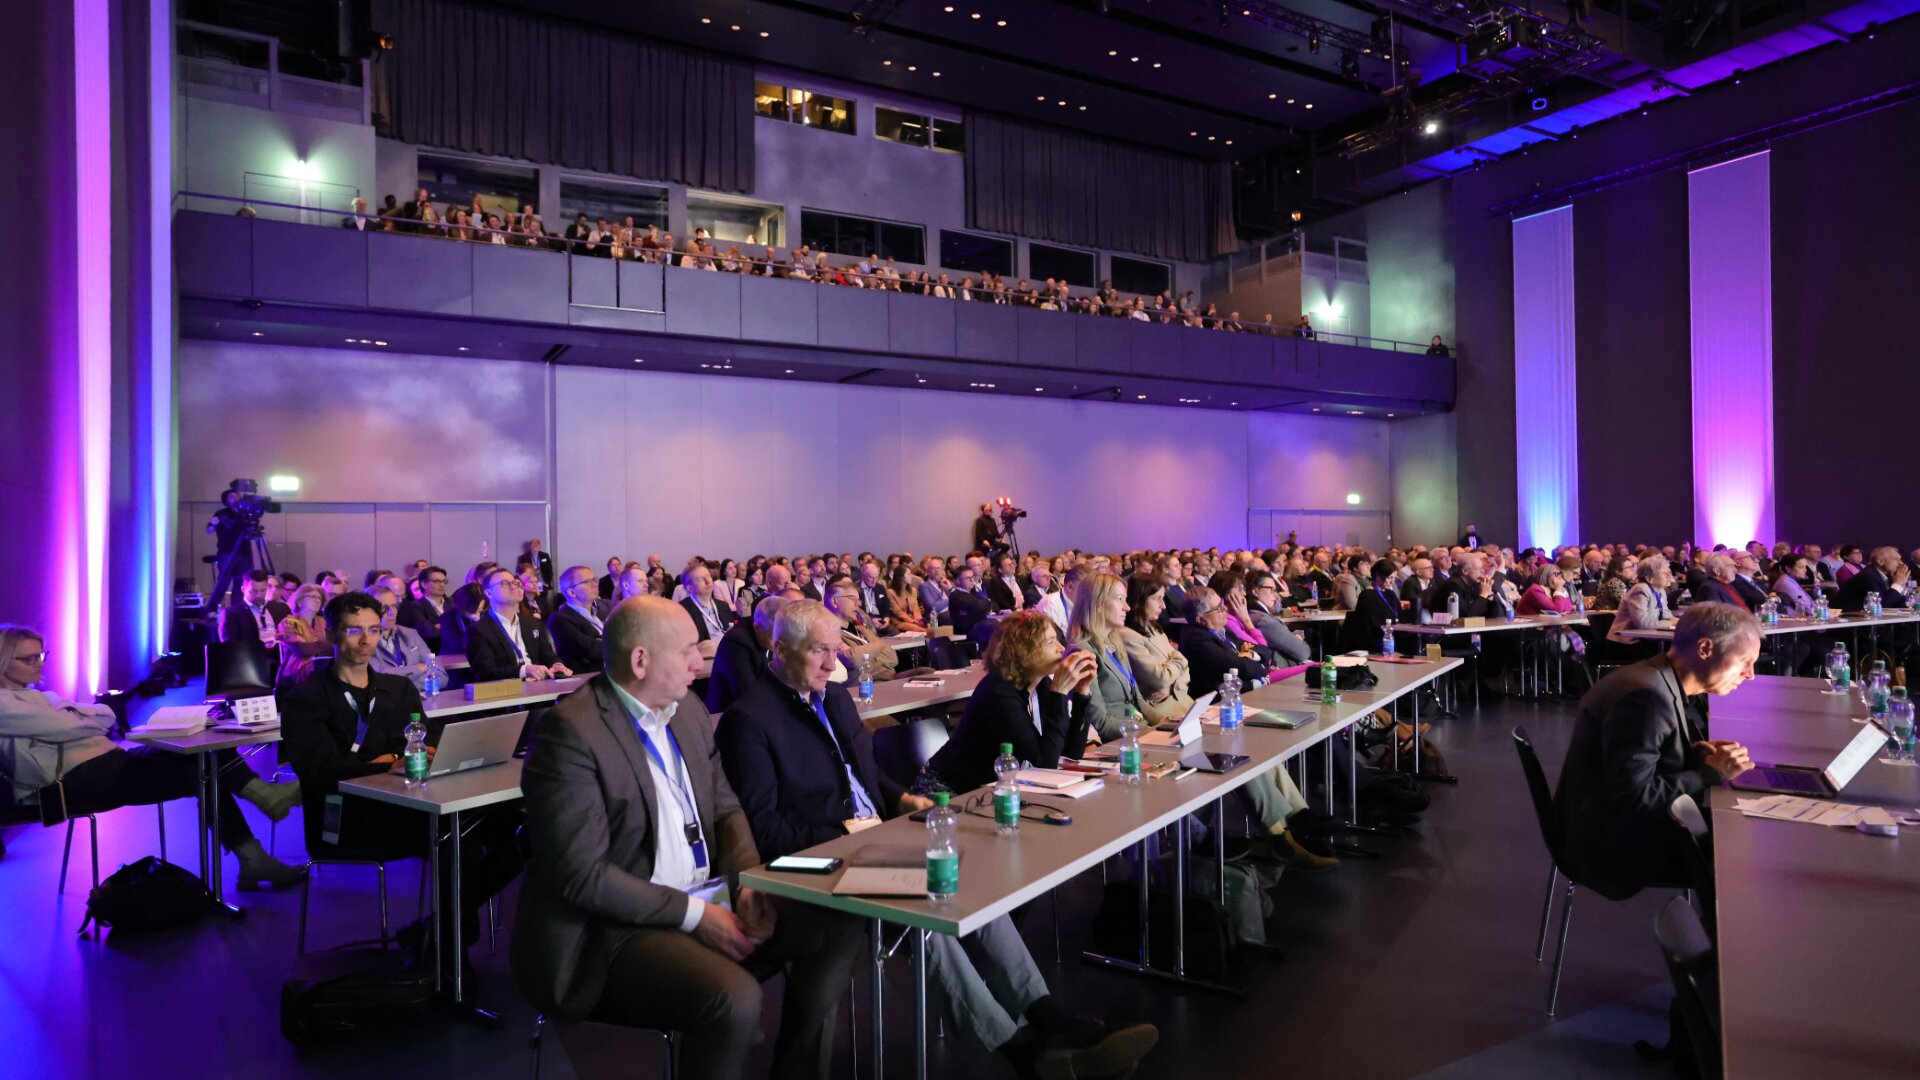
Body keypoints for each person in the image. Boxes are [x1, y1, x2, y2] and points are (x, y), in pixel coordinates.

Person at [718, 601, 1159, 1075]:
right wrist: (847, 831)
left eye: (835, 650)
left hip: (873, 843)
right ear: (780, 651)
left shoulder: (834, 697)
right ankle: (1022, 1051)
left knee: (961, 886)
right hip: (814, 866)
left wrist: (901, 799)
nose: (834, 663)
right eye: (819, 652)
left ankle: (1051, 1021)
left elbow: (866, 781)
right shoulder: (751, 719)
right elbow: (765, 830)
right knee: (921, 914)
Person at [513, 596, 862, 1080]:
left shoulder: (688, 710)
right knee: (735, 1000)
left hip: (708, 895)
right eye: (688, 651)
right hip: (615, 931)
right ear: (641, 660)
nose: (702, 662)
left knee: (839, 915)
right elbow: (583, 876)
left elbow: (726, 807)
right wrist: (697, 916)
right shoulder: (571, 734)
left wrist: (751, 884)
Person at [282, 594, 522, 965]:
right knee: (456, 841)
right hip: (343, 817)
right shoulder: (307, 697)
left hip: (409, 803)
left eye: (374, 630)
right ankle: (448, 950)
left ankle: (439, 931)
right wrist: (391, 761)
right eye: (354, 631)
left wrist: (394, 759)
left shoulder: (397, 690)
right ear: (331, 634)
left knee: (518, 831)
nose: (366, 641)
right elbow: (321, 770)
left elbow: (425, 742)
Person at [0, 625, 304, 889]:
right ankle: (258, 837)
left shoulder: (42, 698)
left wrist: (72, 718)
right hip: (74, 780)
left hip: (110, 761)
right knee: (198, 771)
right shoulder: (4, 705)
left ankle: (256, 846)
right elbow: (65, 723)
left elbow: (106, 715)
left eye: (41, 656)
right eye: (28, 658)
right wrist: (73, 717)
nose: (38, 664)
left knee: (205, 743)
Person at [1554, 603, 1758, 900]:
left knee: (1737, 832)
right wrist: (1709, 773)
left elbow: (1633, 757)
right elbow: (1632, 797)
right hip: (1612, 849)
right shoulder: (1646, 698)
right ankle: (1723, 945)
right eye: (1744, 661)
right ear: (1704, 649)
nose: (1750, 674)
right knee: (1747, 854)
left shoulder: (1652, 677)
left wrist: (1693, 753)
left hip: (1600, 826)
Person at [930, 611, 1097, 790]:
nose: (1061, 648)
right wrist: (1060, 692)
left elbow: (1070, 755)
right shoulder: (999, 695)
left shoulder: (1040, 684)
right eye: (1050, 642)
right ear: (1023, 652)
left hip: (995, 790)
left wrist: (1081, 692)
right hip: (949, 793)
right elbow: (1043, 768)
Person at [1068, 572, 1146, 741]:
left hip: (1135, 732)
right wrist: (1148, 732)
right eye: (1120, 599)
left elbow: (1137, 701)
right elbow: (1099, 722)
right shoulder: (1081, 652)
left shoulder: (1114, 642)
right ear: (1098, 603)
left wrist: (1167, 725)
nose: (1127, 607)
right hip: (1117, 743)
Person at [465, 568, 571, 683]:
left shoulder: (532, 623)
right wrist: (524, 670)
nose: (513, 587)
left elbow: (548, 654)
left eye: (515, 583)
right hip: (508, 693)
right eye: (505, 584)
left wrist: (557, 665)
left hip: (540, 686)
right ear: (489, 593)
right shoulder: (479, 630)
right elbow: (484, 672)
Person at [1178, 587, 1269, 695]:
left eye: (1222, 603)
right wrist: (1260, 666)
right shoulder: (1196, 639)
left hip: (1248, 688)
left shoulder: (1224, 630)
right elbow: (1241, 668)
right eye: (1218, 608)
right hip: (1222, 701)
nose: (1225, 608)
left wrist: (1250, 654)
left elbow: (1265, 651)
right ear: (1200, 619)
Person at [707, 595, 783, 714]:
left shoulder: (774, 633)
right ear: (758, 627)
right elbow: (747, 693)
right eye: (773, 637)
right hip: (730, 714)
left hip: (765, 706)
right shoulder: (736, 643)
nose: (779, 644)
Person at [823, 574, 898, 682]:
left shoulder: (860, 628)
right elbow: (852, 660)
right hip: (866, 686)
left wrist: (866, 657)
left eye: (858, 600)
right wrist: (880, 645)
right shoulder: (827, 631)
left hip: (886, 679)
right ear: (835, 601)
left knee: (925, 671)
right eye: (853, 599)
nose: (858, 604)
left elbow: (892, 656)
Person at [369, 587, 436, 690]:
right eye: (384, 608)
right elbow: (379, 678)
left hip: (417, 702)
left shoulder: (410, 634)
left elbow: (440, 673)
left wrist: (406, 690)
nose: (392, 612)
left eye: (395, 606)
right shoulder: (364, 640)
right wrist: (418, 668)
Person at [550, 565, 610, 674]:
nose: (595, 584)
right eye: (587, 582)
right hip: (588, 680)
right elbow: (591, 649)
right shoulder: (560, 620)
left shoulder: (601, 613)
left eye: (594, 580)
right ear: (571, 592)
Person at [1338, 560, 1403, 654]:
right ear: (1377, 576)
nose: (1392, 582)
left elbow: (1400, 615)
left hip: (1393, 634)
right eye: (1390, 578)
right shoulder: (1367, 596)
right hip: (1376, 640)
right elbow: (1370, 625)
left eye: (1394, 578)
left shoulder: (1391, 594)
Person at [218, 569, 291, 645]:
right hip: (252, 655)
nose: (259, 595)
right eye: (254, 591)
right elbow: (230, 646)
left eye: (263, 590)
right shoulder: (231, 613)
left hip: (280, 654)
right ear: (243, 589)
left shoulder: (282, 608)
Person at [1836, 546, 1911, 613]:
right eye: (1897, 559)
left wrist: (1902, 585)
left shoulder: (1889, 576)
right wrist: (1897, 584)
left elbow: (1899, 606)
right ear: (1880, 561)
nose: (1901, 563)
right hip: (1851, 623)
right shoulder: (1868, 576)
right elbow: (1880, 607)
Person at [399, 564, 448, 651]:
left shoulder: (454, 603)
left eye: (444, 581)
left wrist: (438, 626)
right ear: (424, 584)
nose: (442, 585)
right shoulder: (415, 607)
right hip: (431, 653)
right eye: (437, 581)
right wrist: (450, 626)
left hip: (456, 653)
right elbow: (427, 632)